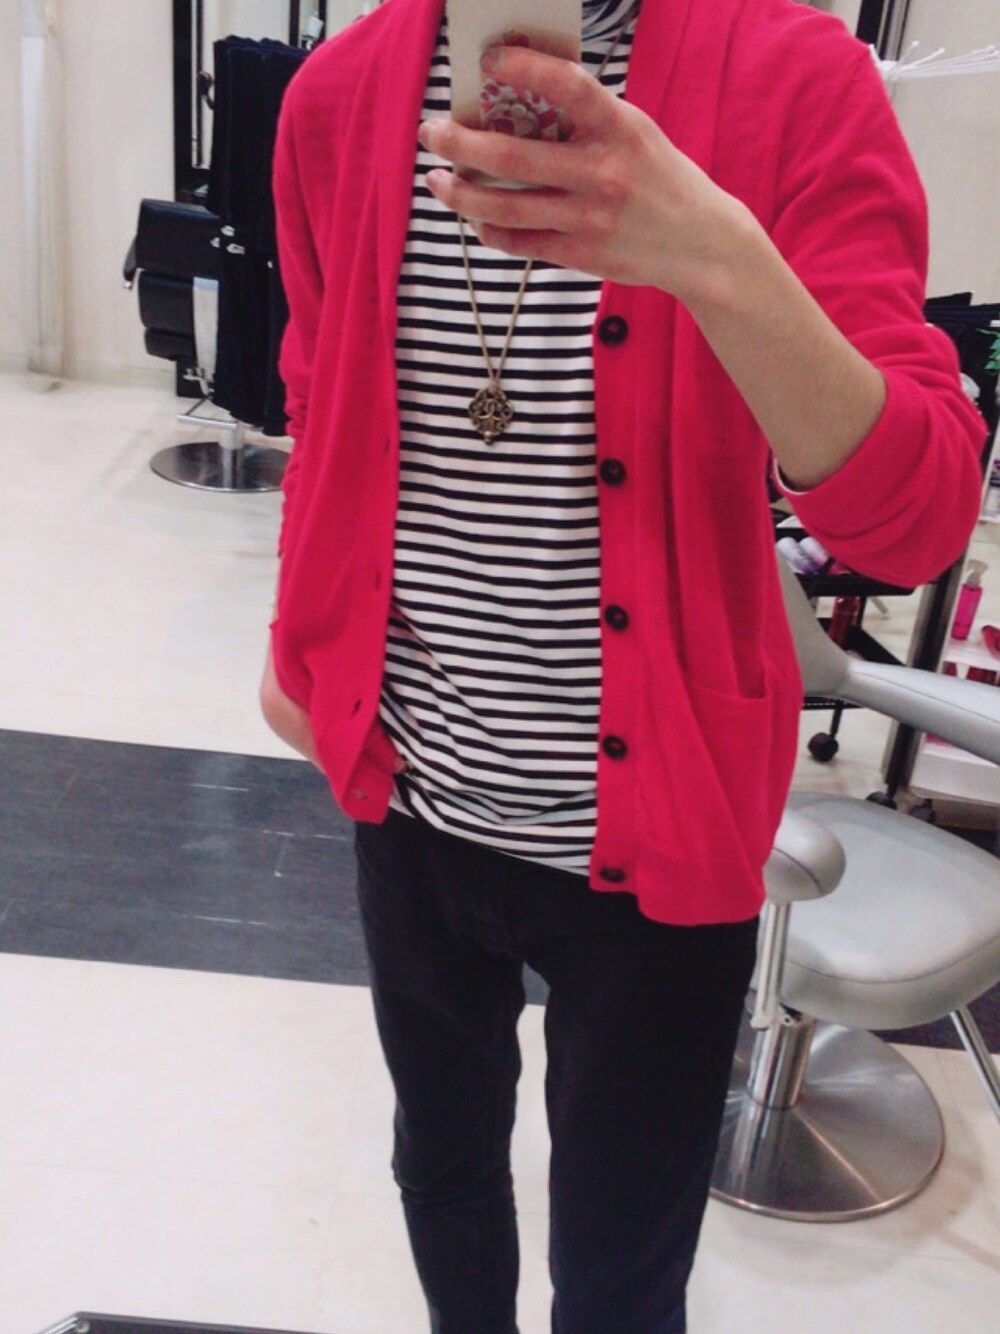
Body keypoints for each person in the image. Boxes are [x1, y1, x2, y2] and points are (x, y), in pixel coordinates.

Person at [261, 1, 985, 1330]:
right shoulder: (336, 99)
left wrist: (715, 256)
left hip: (664, 843)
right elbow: (325, 402)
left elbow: (918, 517)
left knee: (621, 1272)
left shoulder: (793, 81)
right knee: (441, 1165)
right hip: (411, 792)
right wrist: (296, 637)